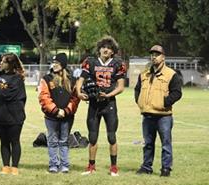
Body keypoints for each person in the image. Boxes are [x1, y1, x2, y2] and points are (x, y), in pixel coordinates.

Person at [76, 36, 126, 176]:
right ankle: (91, 166)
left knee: (111, 137)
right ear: (99, 49)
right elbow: (80, 80)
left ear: (112, 52)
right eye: (103, 47)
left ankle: (114, 167)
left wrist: (108, 95)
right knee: (92, 138)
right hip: (94, 104)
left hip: (109, 104)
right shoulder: (90, 62)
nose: (105, 49)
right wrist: (79, 93)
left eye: (109, 48)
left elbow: (121, 87)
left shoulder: (117, 63)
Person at [134, 45, 182, 177]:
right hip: (147, 114)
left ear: (163, 57)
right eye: (152, 54)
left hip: (163, 116)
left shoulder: (171, 74)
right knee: (148, 143)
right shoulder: (144, 74)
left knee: (166, 144)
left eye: (157, 54)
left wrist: (164, 103)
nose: (154, 57)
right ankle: (146, 167)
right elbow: (137, 89)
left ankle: (166, 168)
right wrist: (140, 102)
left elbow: (177, 93)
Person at [38, 53, 80, 173]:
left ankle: (65, 165)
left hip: (67, 117)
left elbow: (75, 98)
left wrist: (66, 111)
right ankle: (53, 165)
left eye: (57, 63)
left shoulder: (72, 80)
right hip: (51, 117)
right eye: (53, 63)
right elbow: (43, 97)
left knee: (64, 141)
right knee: (52, 141)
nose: (54, 65)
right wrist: (56, 111)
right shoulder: (46, 79)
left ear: (63, 65)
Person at [0, 53, 26, 175]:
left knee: (14, 141)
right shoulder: (0, 77)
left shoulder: (17, 78)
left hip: (14, 116)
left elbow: (8, 94)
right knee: (3, 142)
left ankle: (14, 167)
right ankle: (5, 166)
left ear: (10, 64)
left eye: (3, 62)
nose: (1, 63)